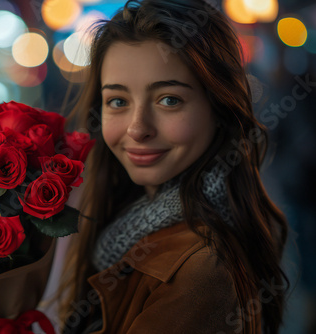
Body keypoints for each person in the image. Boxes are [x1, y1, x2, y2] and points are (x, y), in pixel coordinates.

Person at [56, 0, 289, 333]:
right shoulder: (128, 226)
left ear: (219, 109)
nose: (137, 128)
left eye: (169, 99)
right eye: (118, 101)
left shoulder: (201, 269)